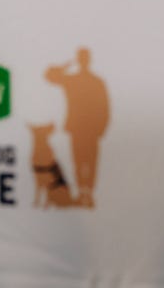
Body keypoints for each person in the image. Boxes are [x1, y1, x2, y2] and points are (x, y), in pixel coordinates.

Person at [44, 47, 110, 208]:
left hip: (90, 129)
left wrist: (101, 128)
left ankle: (87, 194)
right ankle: (83, 193)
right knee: (81, 162)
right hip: (78, 128)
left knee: (88, 162)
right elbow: (49, 76)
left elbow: (104, 107)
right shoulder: (74, 80)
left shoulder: (95, 81)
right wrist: (63, 68)